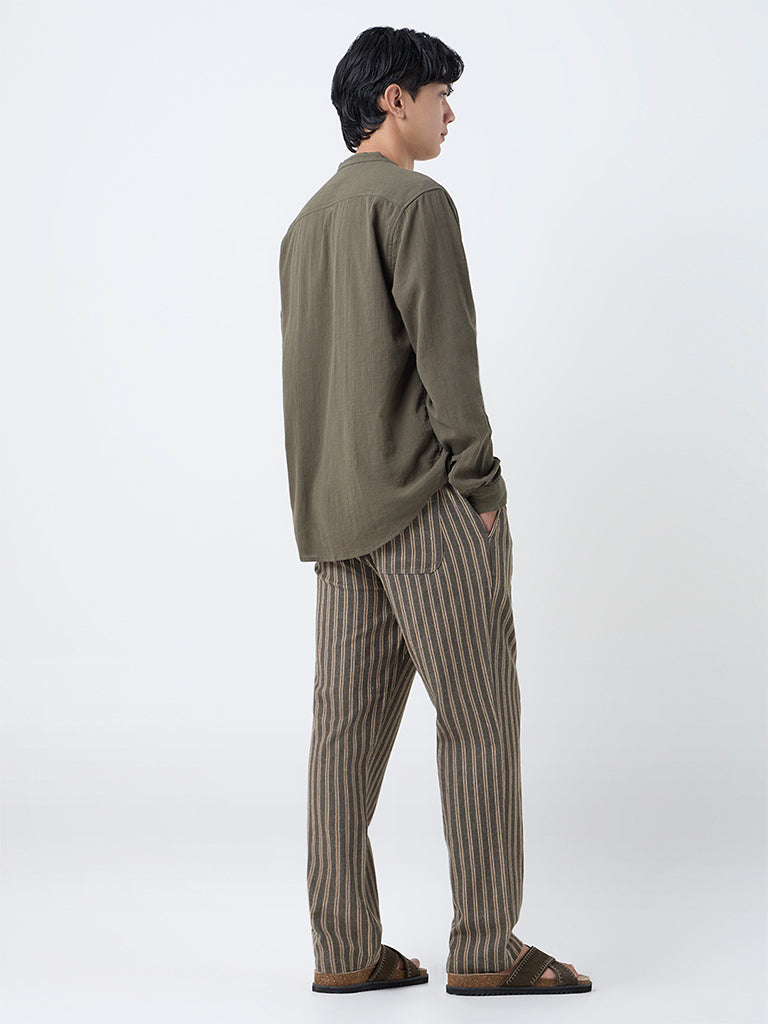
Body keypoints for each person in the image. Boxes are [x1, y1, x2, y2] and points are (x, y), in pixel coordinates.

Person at [279, 25, 592, 997]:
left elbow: (308, 386)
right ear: (393, 100)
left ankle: (344, 950)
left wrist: (320, 509)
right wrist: (483, 486)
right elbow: (446, 358)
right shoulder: (415, 203)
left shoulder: (306, 223)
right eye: (438, 94)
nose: (449, 112)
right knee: (480, 724)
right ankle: (487, 948)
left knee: (341, 747)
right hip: (425, 505)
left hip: (338, 519)